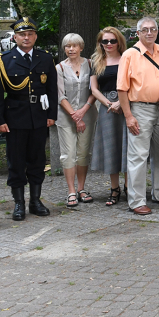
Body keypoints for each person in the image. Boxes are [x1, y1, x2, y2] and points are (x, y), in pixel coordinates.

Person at [0, 16, 58, 221]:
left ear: (35, 36)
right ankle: (18, 203)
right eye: (21, 34)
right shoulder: (3, 60)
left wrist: (51, 115)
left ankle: (35, 201)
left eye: (30, 34)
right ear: (15, 37)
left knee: (37, 160)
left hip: (39, 117)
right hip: (14, 118)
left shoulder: (45, 58)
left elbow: (52, 89)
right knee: (16, 162)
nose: (26, 38)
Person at [117, 16, 159, 216]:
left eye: (153, 29)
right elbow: (122, 89)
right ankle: (137, 200)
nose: (149, 32)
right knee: (138, 156)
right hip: (139, 109)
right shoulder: (129, 55)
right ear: (138, 33)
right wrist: (128, 116)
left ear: (157, 32)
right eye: (145, 30)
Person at [55, 33, 97, 209]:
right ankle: (71, 191)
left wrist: (83, 111)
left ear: (81, 47)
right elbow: (60, 94)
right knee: (68, 154)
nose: (71, 49)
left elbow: (94, 90)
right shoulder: (59, 68)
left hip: (87, 113)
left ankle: (81, 189)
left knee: (83, 152)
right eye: (67, 46)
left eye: (74, 46)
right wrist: (74, 115)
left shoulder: (90, 64)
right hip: (66, 116)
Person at [89, 27, 128, 206]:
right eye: (105, 41)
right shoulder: (96, 61)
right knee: (112, 147)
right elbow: (94, 88)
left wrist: (121, 102)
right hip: (107, 107)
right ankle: (114, 188)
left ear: (119, 41)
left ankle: (130, 186)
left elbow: (134, 82)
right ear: (100, 43)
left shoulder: (128, 58)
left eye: (113, 41)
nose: (109, 44)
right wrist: (109, 104)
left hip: (127, 104)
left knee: (128, 147)